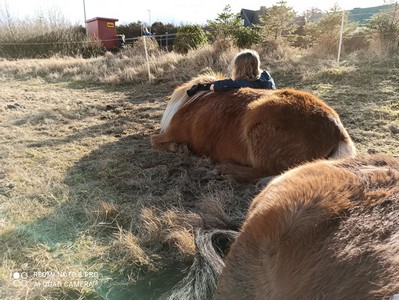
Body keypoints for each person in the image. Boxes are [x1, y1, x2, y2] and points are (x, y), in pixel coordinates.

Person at [187, 49, 276, 97]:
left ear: (240, 68)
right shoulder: (266, 76)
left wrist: (201, 86)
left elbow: (218, 86)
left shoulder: (243, 84)